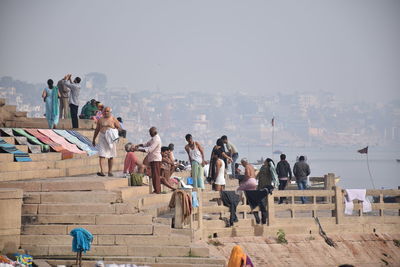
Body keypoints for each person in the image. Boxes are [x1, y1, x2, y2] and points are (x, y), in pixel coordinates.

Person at [92, 107, 120, 177]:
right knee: (102, 154)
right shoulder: (100, 119)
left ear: (110, 112)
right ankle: (102, 171)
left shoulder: (113, 119)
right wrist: (94, 139)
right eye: (105, 111)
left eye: (107, 111)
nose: (106, 113)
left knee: (111, 155)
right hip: (102, 137)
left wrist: (113, 133)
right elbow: (97, 129)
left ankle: (110, 171)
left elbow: (118, 127)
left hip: (110, 138)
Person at [135, 127, 162, 194]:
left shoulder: (157, 139)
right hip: (153, 159)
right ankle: (156, 190)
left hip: (156, 159)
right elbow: (146, 144)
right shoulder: (153, 138)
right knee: (154, 175)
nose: (149, 133)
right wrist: (139, 145)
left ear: (154, 132)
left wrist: (137, 150)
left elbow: (149, 150)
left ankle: (157, 190)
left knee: (156, 175)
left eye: (150, 132)